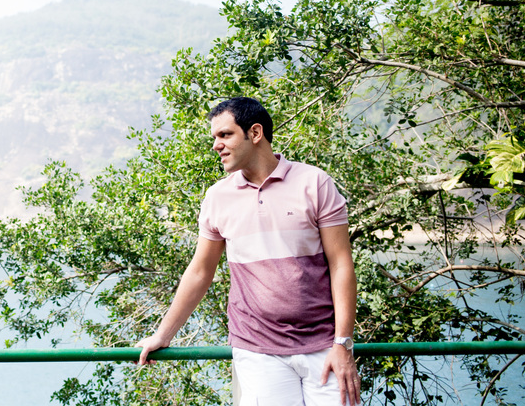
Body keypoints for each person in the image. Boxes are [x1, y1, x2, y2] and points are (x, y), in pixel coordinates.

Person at [135, 97, 361, 406]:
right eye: (215, 137)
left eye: (225, 135)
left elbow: (341, 265)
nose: (216, 145)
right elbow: (200, 272)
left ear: (255, 133)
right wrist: (163, 335)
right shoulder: (218, 197)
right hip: (257, 351)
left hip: (324, 346)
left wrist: (343, 343)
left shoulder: (314, 183)